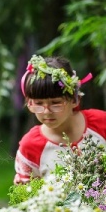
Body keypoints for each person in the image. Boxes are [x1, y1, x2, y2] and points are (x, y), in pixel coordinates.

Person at [14, 54, 106, 184]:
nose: (47, 111)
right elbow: (26, 194)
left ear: (75, 99)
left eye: (55, 103)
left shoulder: (101, 123)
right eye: (38, 104)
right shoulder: (31, 145)